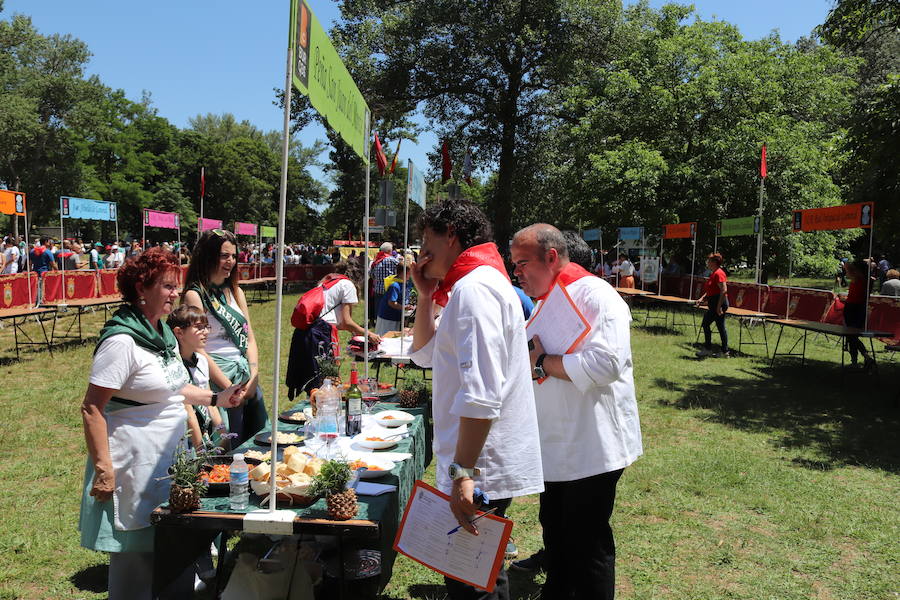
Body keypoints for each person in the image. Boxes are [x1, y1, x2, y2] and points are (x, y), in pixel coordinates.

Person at [79, 248, 243, 600]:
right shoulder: (122, 341)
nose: (175, 294)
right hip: (132, 465)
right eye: (167, 286)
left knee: (165, 552)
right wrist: (104, 470)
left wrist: (217, 398)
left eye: (175, 286)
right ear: (141, 287)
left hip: (165, 461)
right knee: (135, 565)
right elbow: (92, 407)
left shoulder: (160, 333)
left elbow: (172, 386)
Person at [409, 200, 543, 600]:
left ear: (450, 233)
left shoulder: (474, 288)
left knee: (472, 580)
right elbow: (423, 354)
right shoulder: (472, 284)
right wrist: (425, 296)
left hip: (477, 461)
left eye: (424, 238)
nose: (421, 250)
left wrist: (463, 473)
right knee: (475, 572)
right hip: (475, 456)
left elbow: (482, 393)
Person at [509, 225, 642, 599]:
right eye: (514, 264)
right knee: (556, 532)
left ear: (552, 257)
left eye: (522, 263)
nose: (516, 272)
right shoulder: (550, 299)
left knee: (587, 545)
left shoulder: (597, 295)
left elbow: (606, 364)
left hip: (591, 448)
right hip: (557, 447)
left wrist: (542, 362)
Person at [182, 229, 268, 446]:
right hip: (217, 379)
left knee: (256, 441)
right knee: (227, 443)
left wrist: (254, 374)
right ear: (208, 256)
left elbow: (249, 337)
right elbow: (197, 348)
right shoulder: (195, 294)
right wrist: (229, 387)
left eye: (233, 256)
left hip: (245, 376)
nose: (230, 261)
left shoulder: (235, 292)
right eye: (224, 255)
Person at [285, 260, 381, 399]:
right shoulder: (347, 285)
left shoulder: (327, 282)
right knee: (326, 380)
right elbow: (346, 322)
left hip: (306, 332)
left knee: (315, 378)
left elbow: (340, 324)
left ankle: (315, 407)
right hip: (321, 334)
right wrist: (369, 334)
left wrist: (355, 333)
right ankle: (322, 410)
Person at [168, 304, 225, 450]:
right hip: (186, 441)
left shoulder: (201, 361)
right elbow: (188, 414)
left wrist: (224, 436)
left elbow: (209, 401)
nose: (205, 332)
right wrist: (200, 452)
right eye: (199, 327)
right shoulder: (174, 367)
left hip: (205, 433)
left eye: (207, 327)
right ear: (179, 333)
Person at [694, 253, 729, 358]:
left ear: (714, 262)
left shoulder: (719, 273)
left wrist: (718, 307)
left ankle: (709, 349)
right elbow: (711, 289)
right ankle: (724, 351)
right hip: (714, 304)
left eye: (709, 261)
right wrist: (702, 298)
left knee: (706, 324)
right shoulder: (713, 273)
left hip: (718, 304)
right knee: (720, 327)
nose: (707, 263)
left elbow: (724, 290)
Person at [843, 259, 875, 370]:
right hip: (861, 308)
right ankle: (861, 359)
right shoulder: (869, 280)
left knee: (851, 335)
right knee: (853, 335)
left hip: (852, 308)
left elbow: (846, 266)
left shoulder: (857, 278)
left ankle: (862, 358)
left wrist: (849, 262)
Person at [376, 264, 411, 335]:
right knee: (385, 336)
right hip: (388, 317)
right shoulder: (395, 286)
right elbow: (391, 302)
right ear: (403, 273)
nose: (410, 275)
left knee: (394, 336)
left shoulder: (404, 283)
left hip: (396, 316)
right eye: (409, 273)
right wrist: (404, 307)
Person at [370, 242, 399, 323]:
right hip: (390, 289)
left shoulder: (376, 261)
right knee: (390, 310)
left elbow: (371, 275)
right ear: (390, 250)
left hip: (378, 289)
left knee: (379, 309)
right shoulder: (393, 260)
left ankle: (378, 323)